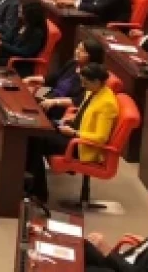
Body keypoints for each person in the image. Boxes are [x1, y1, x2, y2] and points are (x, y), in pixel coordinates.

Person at [26, 63, 119, 203]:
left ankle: (38, 193)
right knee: (35, 133)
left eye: (85, 82)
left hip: (82, 146)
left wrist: (75, 133)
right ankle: (33, 188)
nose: (82, 85)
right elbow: (83, 114)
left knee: (36, 140)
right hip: (72, 131)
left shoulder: (107, 104)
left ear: (97, 81)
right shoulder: (92, 91)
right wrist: (67, 122)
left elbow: (101, 137)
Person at [28, 38, 107, 122]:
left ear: (92, 56)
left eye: (82, 51)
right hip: (50, 98)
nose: (77, 52)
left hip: (62, 110)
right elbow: (55, 78)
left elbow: (79, 100)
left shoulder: (91, 76)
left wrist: (55, 102)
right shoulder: (73, 63)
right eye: (77, 48)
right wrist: (31, 79)